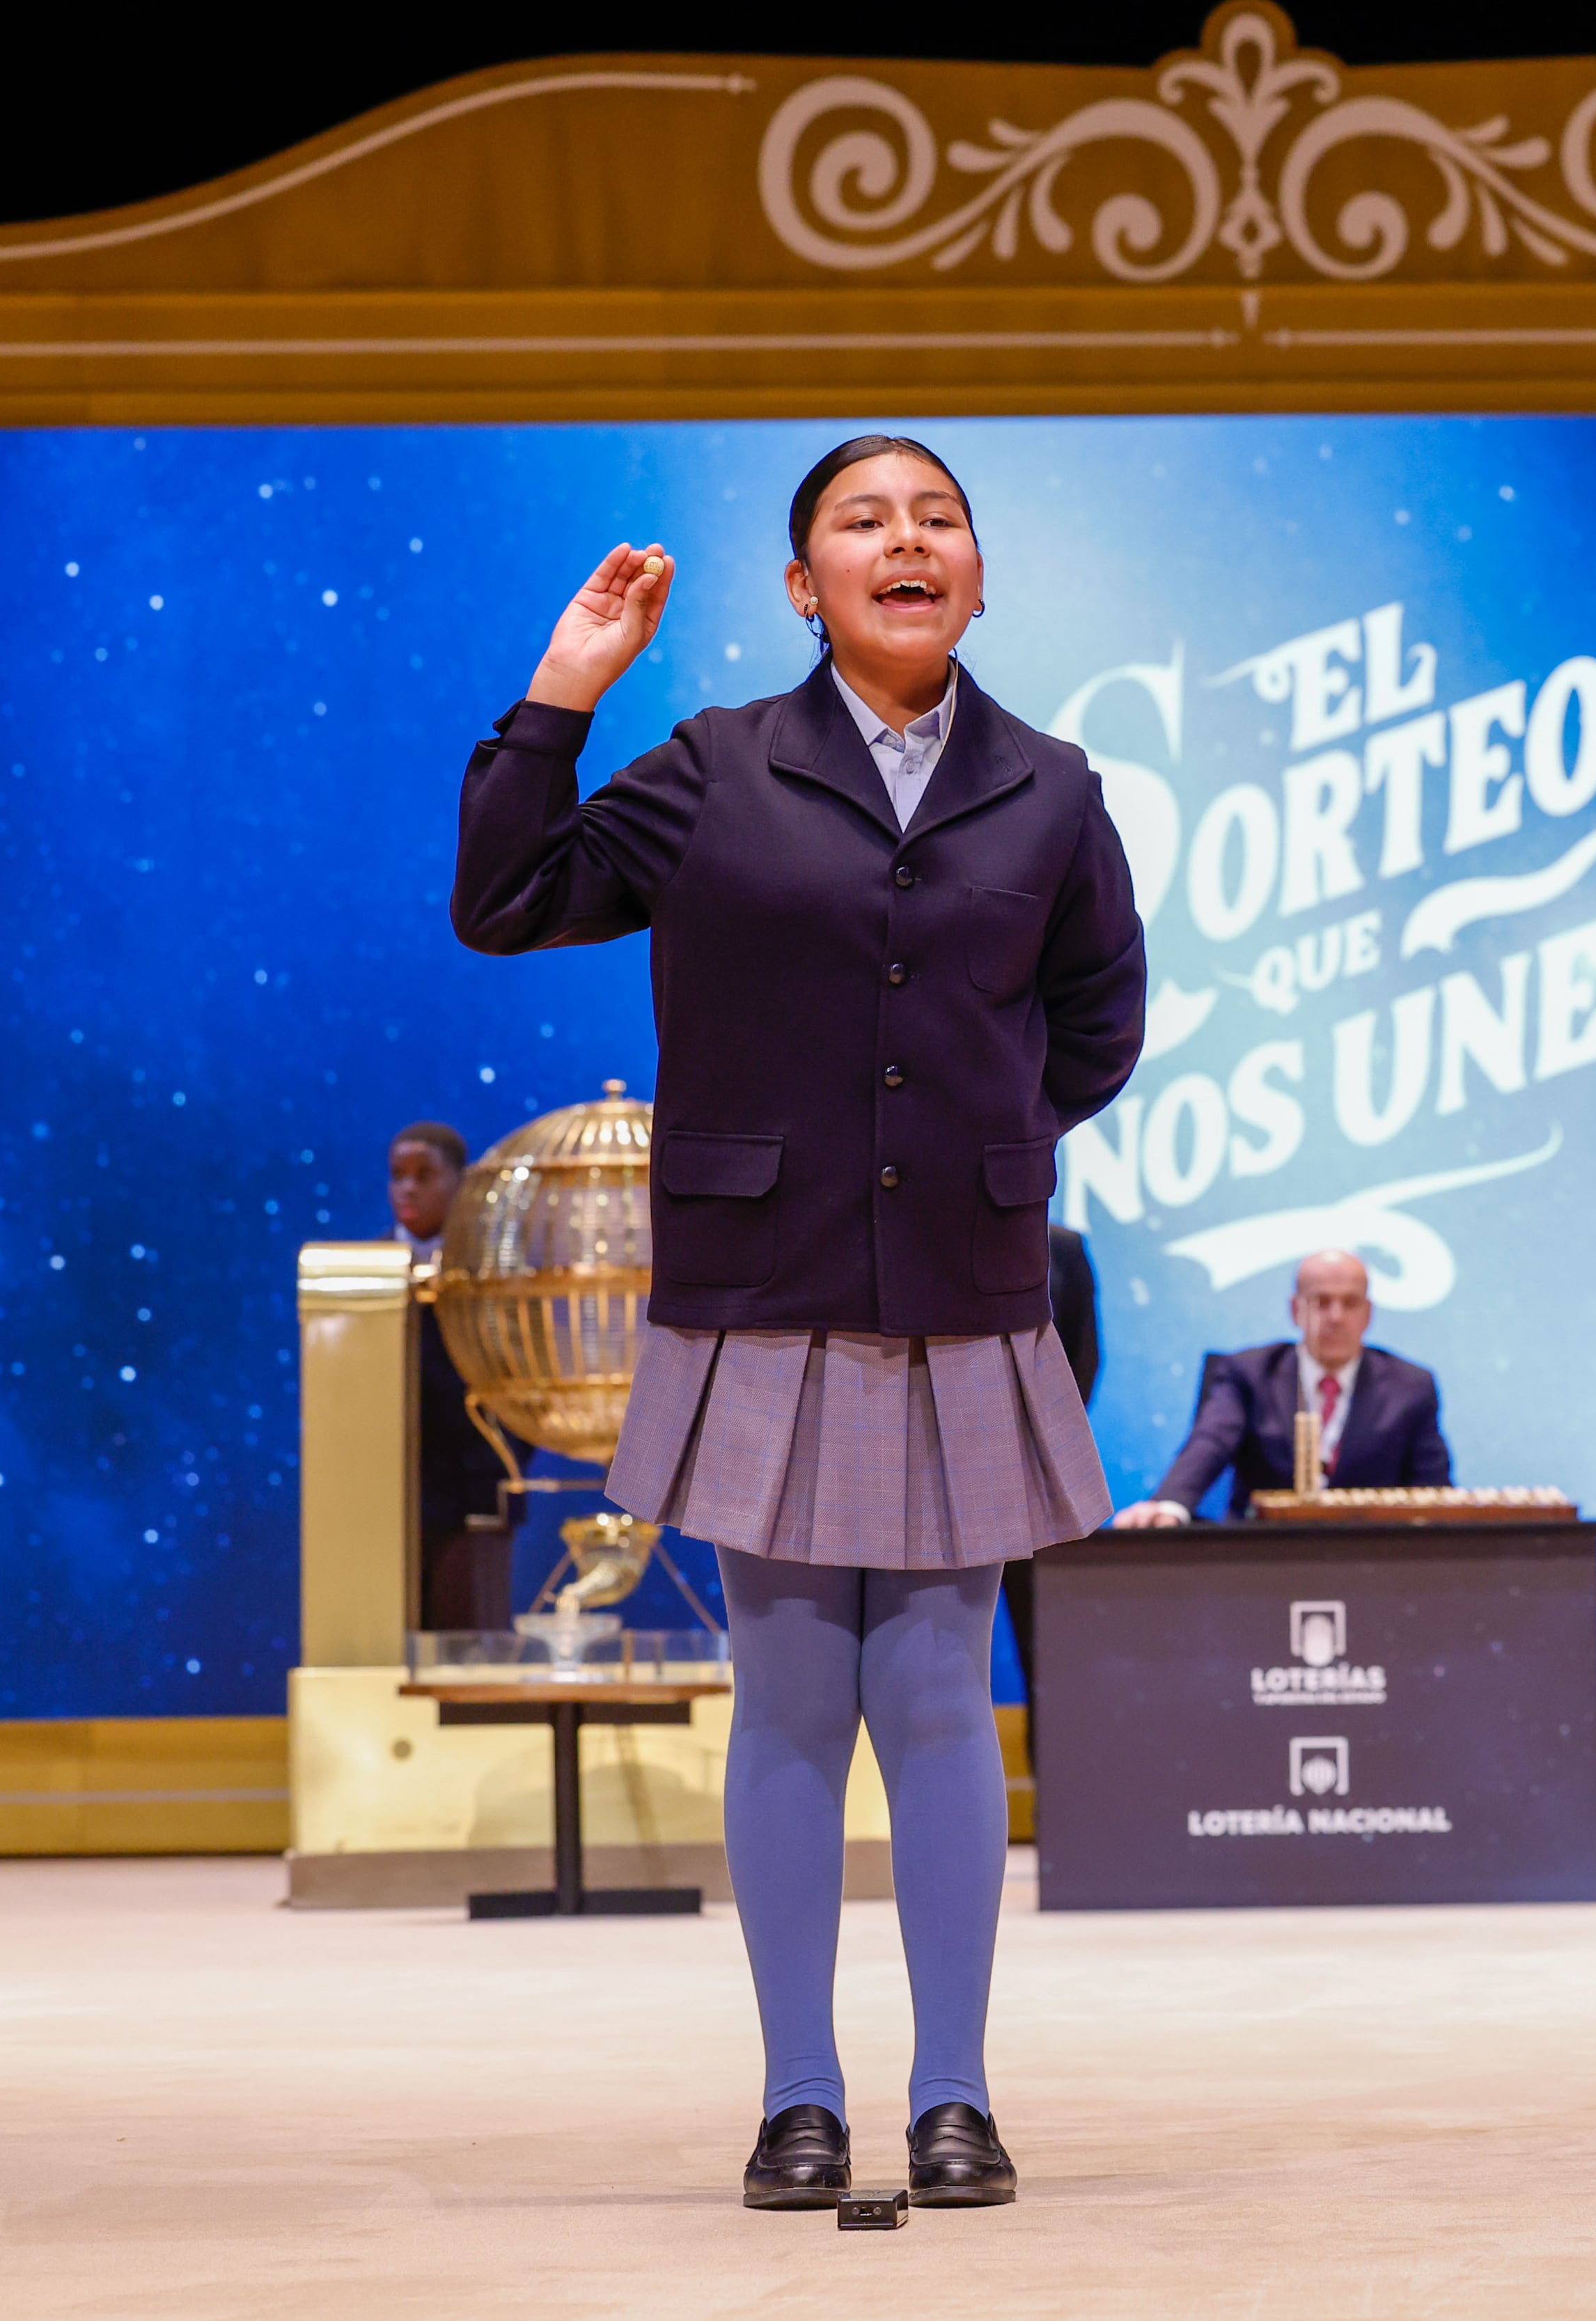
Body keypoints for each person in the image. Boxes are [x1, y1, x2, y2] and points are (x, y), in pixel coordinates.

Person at [453, 435, 1144, 2214]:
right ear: (803, 585)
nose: (903, 541)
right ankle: (798, 2098)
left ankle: (957, 2095)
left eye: (936, 521)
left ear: (977, 577)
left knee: (932, 1697)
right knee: (787, 1699)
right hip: (760, 1292)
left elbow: (1096, 1023)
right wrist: (562, 695)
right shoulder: (714, 770)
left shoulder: (1054, 789)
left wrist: (971, 1154)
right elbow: (504, 900)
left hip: (960, 1298)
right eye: (862, 521)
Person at [1114, 1249, 1450, 1524]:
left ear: (1368, 1313)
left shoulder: (1411, 1387)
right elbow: (1210, 1442)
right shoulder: (1249, 1373)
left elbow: (1434, 1492)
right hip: (1263, 1555)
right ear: (1295, 1310)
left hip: (1372, 1562)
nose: (1335, 1317)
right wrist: (1170, 1504)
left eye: (1349, 1303)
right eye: (1321, 1302)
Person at [389, 1121, 520, 1632]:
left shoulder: (489, 1271)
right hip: (383, 1495)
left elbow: (514, 1383)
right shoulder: (362, 1278)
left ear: (460, 1182)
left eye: (424, 1175)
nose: (408, 1188)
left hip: (475, 1496)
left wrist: (499, 1474)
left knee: (469, 1652)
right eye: (397, 1175)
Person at [995, 1219, 1102, 1769]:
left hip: (1030, 1482)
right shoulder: (922, 1228)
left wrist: (1039, 1447)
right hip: (925, 1473)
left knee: (1050, 1653)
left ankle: (1055, 1811)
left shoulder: (1063, 1245)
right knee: (926, 1654)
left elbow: (1083, 1357)